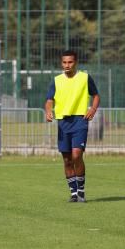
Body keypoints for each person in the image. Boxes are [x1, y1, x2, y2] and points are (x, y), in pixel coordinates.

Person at [45, 50, 100, 202]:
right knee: (67, 159)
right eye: (64, 62)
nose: (67, 65)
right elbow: (49, 99)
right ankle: (74, 193)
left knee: (77, 155)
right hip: (63, 123)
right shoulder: (56, 80)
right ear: (61, 63)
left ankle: (81, 191)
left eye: (70, 62)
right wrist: (48, 111)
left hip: (80, 121)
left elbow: (96, 95)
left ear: (75, 62)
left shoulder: (84, 78)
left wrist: (93, 109)